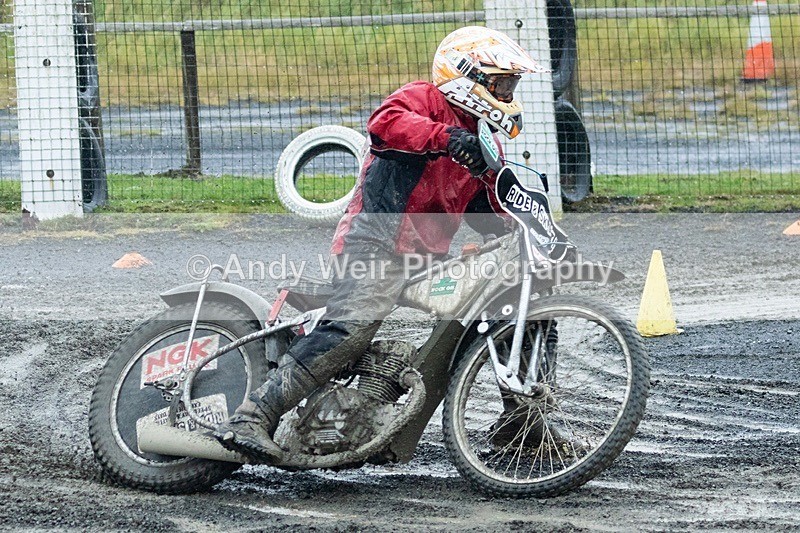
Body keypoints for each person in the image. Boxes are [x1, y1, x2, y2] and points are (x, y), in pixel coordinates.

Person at [214, 26, 548, 461]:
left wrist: (523, 231)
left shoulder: (486, 141)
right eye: (500, 81)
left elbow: (486, 208)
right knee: (354, 327)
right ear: (469, 75)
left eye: (510, 84)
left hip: (427, 258)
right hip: (376, 240)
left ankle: (524, 425)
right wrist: (446, 139)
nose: (506, 92)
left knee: (517, 305)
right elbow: (384, 126)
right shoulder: (425, 99)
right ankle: (251, 417)